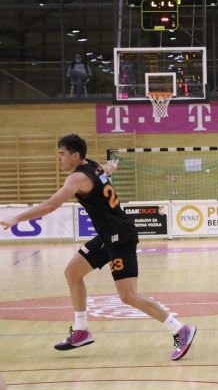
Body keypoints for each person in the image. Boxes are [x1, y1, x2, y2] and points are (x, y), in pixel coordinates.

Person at [0, 134, 197, 361]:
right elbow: (105, 169)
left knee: (128, 295)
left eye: (62, 154)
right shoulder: (93, 166)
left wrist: (17, 218)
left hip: (120, 237)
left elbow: (52, 204)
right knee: (72, 272)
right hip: (107, 236)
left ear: (75, 156)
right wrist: (111, 166)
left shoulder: (77, 178)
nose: (58, 158)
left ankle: (180, 329)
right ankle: (81, 330)